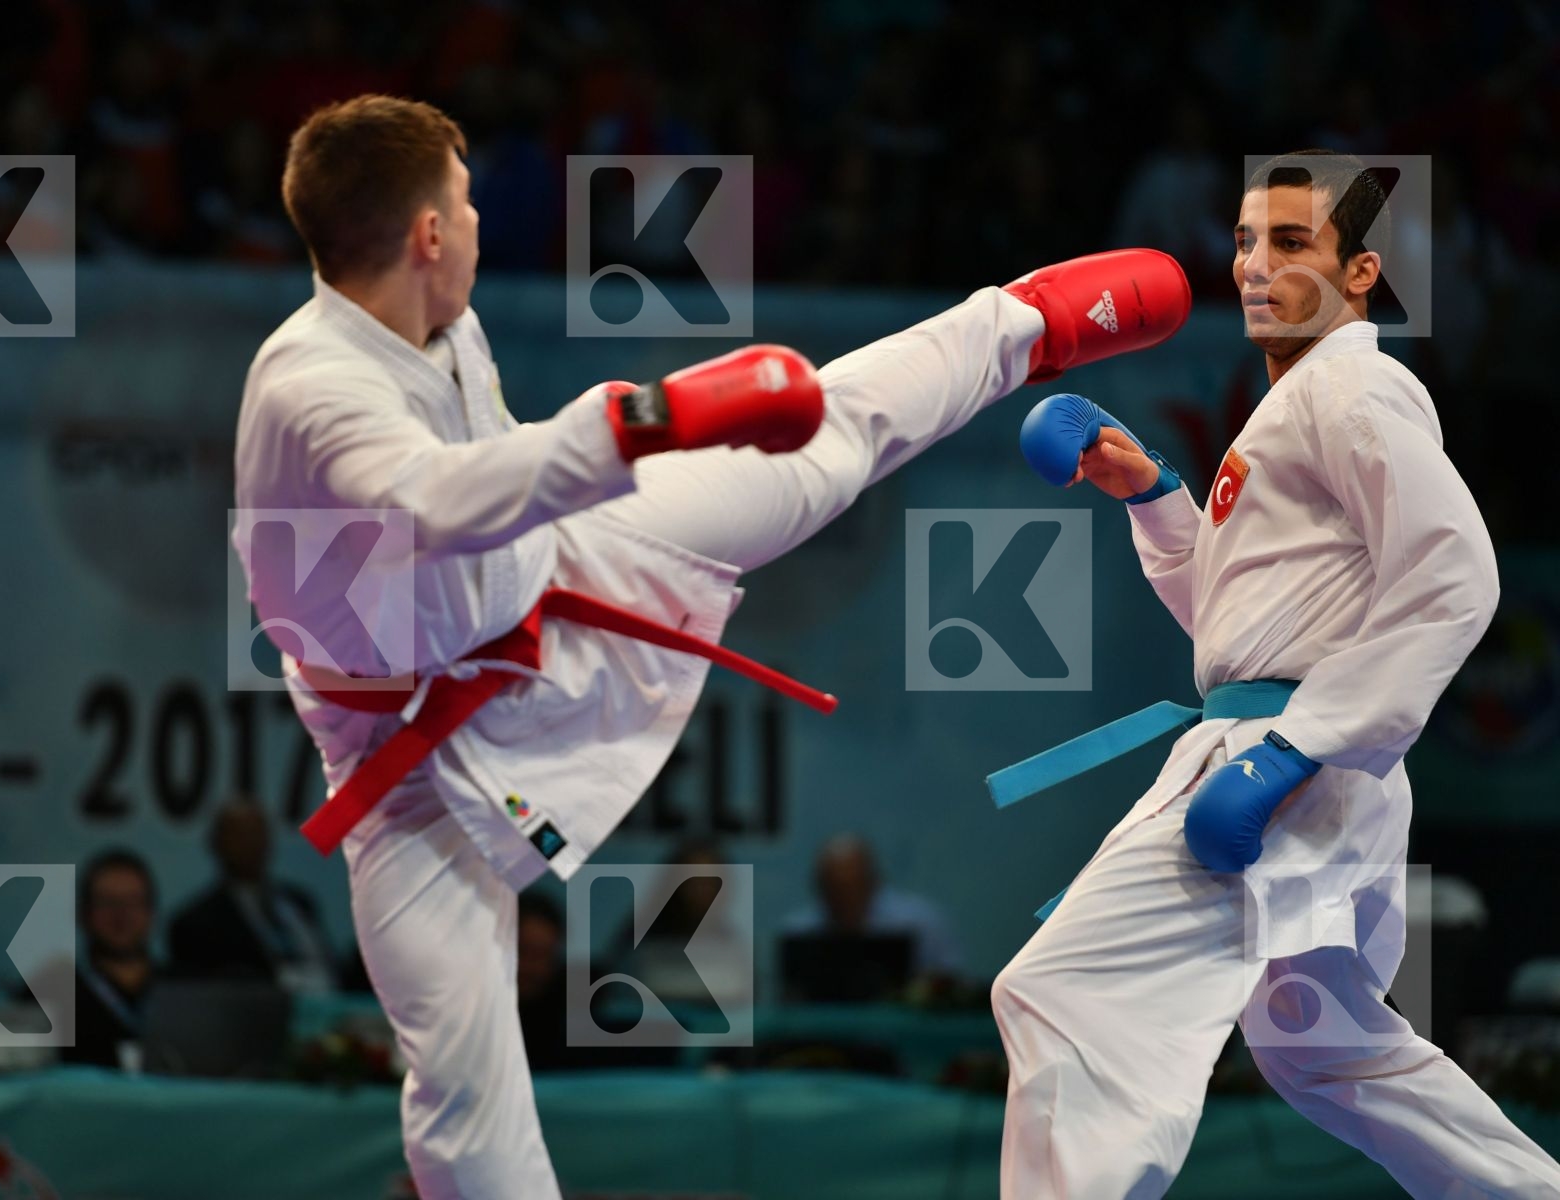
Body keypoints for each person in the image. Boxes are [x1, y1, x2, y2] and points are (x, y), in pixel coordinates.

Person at [232, 93, 1189, 1199]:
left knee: (825, 445)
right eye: (468, 201)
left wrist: (657, 433)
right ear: (429, 233)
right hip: (403, 758)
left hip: (552, 569)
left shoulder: (431, 319)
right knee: (461, 1092)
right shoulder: (315, 388)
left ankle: (1027, 323)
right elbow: (438, 499)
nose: (483, 222)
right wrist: (654, 417)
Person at [992, 150, 1560, 1197]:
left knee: (1064, 991)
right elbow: (1239, 628)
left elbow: (1455, 576)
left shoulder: (1355, 387)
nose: (1256, 264)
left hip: (1289, 758)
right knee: (1325, 1051)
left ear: (1359, 274)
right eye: (1248, 241)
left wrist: (1293, 752)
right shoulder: (1297, 404)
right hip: (1296, 750)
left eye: (1291, 243)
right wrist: (1152, 493)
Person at [168, 798, 341, 993]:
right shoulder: (196, 924)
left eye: (257, 833)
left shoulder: (300, 902)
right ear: (216, 843)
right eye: (240, 835)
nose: (251, 843)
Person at [779, 832, 964, 993]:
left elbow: (952, 981)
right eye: (836, 889)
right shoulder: (799, 930)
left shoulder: (921, 921)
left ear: (874, 881)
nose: (847, 898)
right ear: (820, 887)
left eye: (854, 886)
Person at [67, 849, 160, 1069]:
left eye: (133, 901)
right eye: (107, 902)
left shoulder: (183, 990)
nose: (121, 914)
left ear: (151, 912)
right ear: (83, 914)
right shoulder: (51, 996)